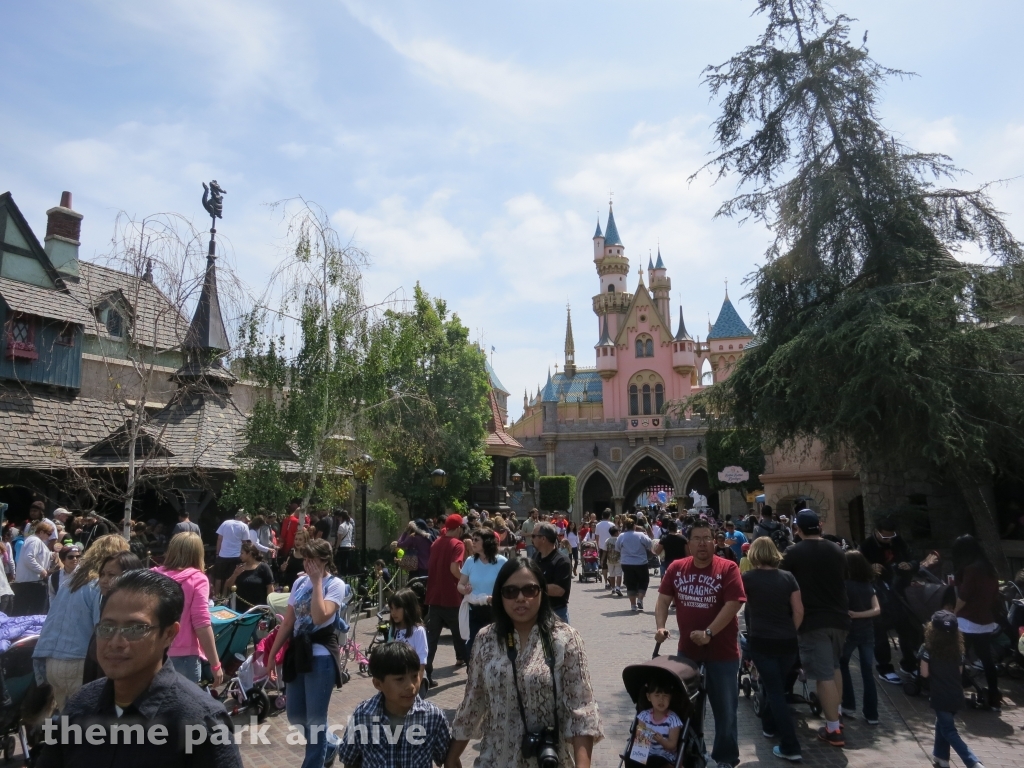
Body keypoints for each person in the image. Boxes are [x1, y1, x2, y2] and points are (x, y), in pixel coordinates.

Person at [36, 569, 244, 768]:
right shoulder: (81, 705)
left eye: (135, 629)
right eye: (107, 627)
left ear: (169, 633)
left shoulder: (200, 721)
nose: (116, 642)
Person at [447, 559, 603, 768]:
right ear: (499, 595)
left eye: (529, 590)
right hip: (495, 760)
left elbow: (582, 711)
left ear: (541, 592)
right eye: (510, 591)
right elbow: (473, 703)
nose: (520, 598)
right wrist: (451, 757)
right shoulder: (486, 639)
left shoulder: (565, 638)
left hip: (548, 760)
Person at [655, 520, 745, 768]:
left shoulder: (727, 568)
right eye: (697, 538)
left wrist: (709, 632)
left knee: (725, 711)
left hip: (722, 653)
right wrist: (660, 626)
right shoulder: (676, 568)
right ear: (689, 543)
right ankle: (694, 754)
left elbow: (734, 604)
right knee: (689, 710)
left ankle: (726, 758)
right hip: (687, 654)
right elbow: (663, 600)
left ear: (714, 541)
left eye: (707, 538)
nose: (702, 543)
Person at [268, 538, 347, 768]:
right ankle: (330, 745)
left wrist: (317, 582)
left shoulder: (335, 585)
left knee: (315, 720)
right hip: (298, 652)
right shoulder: (299, 584)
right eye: (306, 559)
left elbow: (320, 617)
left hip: (321, 656)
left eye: (312, 559)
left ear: (324, 560)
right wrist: (272, 654)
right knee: (295, 716)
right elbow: (288, 622)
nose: (307, 564)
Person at [32, 535, 131, 710]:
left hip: (52, 661)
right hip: (79, 663)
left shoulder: (70, 582)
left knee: (69, 726)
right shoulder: (98, 586)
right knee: (87, 728)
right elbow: (100, 630)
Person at [781, 509, 850, 747]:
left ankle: (833, 729)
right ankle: (837, 714)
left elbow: (784, 582)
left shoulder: (793, 553)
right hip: (839, 619)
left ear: (797, 529)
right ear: (820, 526)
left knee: (823, 675)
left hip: (813, 621)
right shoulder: (837, 550)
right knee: (834, 667)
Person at [338, 642, 453, 768]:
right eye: (400, 679)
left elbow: (449, 759)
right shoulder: (363, 716)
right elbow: (349, 760)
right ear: (378, 684)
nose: (411, 686)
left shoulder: (433, 717)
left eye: (415, 676)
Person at [741, 537, 803, 762]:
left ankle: (790, 745)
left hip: (762, 640)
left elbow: (736, 604)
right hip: (787, 641)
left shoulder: (747, 578)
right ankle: (768, 725)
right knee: (773, 684)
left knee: (775, 691)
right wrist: (791, 631)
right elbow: (798, 611)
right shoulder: (788, 578)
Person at [152, 532, 224, 686]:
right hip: (184, 656)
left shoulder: (153, 576)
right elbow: (202, 623)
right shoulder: (197, 579)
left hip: (153, 652)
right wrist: (215, 664)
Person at [920, 610, 987, 768]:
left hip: (939, 695)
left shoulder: (927, 648)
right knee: (942, 724)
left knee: (949, 730)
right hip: (956, 694)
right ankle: (941, 756)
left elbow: (924, 673)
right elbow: (959, 672)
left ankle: (973, 761)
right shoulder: (959, 650)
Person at [859, 516, 921, 683]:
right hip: (878, 594)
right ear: (876, 532)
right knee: (881, 632)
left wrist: (910, 565)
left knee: (906, 629)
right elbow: (856, 567)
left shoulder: (899, 542)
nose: (888, 540)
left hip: (900, 591)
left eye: (891, 536)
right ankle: (884, 667)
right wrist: (869, 568)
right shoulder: (866, 546)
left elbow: (915, 559)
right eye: (885, 536)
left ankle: (909, 664)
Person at [951, 534, 1001, 710]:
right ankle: (994, 696)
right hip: (985, 619)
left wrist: (953, 612)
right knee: (986, 659)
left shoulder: (971, 569)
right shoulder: (989, 568)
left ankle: (956, 690)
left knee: (958, 656)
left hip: (967, 620)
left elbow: (964, 596)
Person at [82, 551, 146, 686]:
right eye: (102, 574)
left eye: (111, 575)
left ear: (129, 576)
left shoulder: (140, 614)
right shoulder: (105, 605)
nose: (104, 580)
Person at [425, 515, 468, 685]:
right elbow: (454, 568)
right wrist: (466, 580)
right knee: (462, 635)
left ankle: (427, 674)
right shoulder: (458, 544)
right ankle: (472, 672)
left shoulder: (436, 543)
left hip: (434, 596)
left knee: (432, 638)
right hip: (451, 597)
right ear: (458, 528)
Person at [839, 550, 880, 725]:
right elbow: (877, 610)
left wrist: (853, 614)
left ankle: (848, 704)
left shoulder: (844, 585)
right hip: (867, 632)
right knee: (867, 672)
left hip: (849, 632)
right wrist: (862, 614)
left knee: (842, 665)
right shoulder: (868, 585)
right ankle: (872, 714)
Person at [458, 528, 507, 660]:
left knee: (495, 646)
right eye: (472, 539)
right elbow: (460, 584)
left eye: (476, 540)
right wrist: (464, 590)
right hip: (475, 610)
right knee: (472, 647)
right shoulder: (470, 561)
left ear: (487, 542)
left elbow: (509, 585)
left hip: (495, 610)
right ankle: (472, 674)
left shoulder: (501, 561)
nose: (472, 542)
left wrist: (496, 597)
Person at [629, 681, 684, 768]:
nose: (661, 699)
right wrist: (644, 734)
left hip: (664, 756)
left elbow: (672, 745)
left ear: (670, 698)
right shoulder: (644, 716)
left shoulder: (673, 719)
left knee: (656, 762)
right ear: (648, 697)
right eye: (657, 695)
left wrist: (661, 740)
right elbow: (640, 738)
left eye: (665, 696)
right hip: (645, 752)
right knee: (631, 759)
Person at [531, 522, 573, 624]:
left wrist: (532, 588)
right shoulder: (535, 557)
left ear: (543, 539)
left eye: (533, 536)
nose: (531, 539)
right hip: (537, 612)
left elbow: (559, 590)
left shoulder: (562, 561)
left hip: (557, 614)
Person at [387, 588, 429, 675]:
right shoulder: (393, 629)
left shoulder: (418, 631)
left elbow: (422, 660)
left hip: (414, 676)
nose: (393, 612)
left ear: (408, 608)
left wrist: (417, 683)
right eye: (391, 608)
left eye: (397, 608)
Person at [224, 540, 275, 610]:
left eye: (242, 553)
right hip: (239, 608)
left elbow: (270, 587)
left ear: (250, 554)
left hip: (258, 608)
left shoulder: (264, 567)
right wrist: (235, 574)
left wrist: (270, 606)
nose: (240, 556)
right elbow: (228, 585)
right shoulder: (240, 568)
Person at [616, 517, 653, 613]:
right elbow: (650, 544)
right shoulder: (640, 535)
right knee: (643, 581)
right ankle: (640, 599)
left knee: (630, 583)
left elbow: (618, 548)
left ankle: (633, 605)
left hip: (626, 562)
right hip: (641, 562)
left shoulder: (621, 536)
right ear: (634, 525)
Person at [214, 511, 251, 597]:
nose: (246, 521)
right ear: (242, 517)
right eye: (245, 518)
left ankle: (216, 596)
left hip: (222, 555)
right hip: (236, 555)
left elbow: (219, 539)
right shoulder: (244, 526)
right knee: (230, 577)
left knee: (218, 577)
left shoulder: (225, 523)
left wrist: (217, 553)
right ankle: (225, 596)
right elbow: (245, 542)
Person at [595, 510, 613, 588]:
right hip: (611, 547)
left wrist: (598, 546)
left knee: (604, 566)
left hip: (602, 547)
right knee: (612, 564)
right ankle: (611, 579)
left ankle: (605, 582)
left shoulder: (598, 525)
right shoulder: (611, 524)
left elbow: (597, 537)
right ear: (609, 516)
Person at [333, 510, 355, 575]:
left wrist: (336, 548)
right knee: (347, 562)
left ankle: (342, 575)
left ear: (342, 517)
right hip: (349, 546)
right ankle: (346, 575)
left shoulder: (341, 526)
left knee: (341, 563)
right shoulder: (350, 525)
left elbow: (339, 538)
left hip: (342, 546)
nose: (339, 519)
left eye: (339, 517)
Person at [606, 526, 623, 596]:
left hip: (609, 559)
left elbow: (605, 550)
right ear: (616, 533)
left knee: (612, 574)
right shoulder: (620, 539)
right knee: (619, 574)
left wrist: (602, 559)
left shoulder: (607, 540)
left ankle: (613, 588)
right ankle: (618, 587)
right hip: (618, 559)